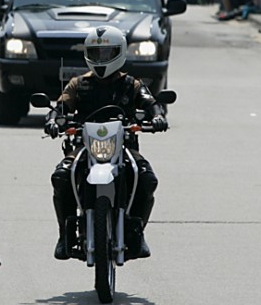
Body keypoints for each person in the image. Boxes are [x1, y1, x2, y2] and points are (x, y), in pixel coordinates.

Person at [44, 26, 168, 261]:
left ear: (119, 53)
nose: (101, 59)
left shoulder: (131, 84)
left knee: (146, 179)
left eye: (107, 53)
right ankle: (64, 235)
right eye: (96, 53)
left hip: (124, 146)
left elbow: (151, 103)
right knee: (61, 176)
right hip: (84, 146)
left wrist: (158, 117)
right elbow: (60, 106)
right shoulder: (78, 83)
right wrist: (52, 120)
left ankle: (137, 232)